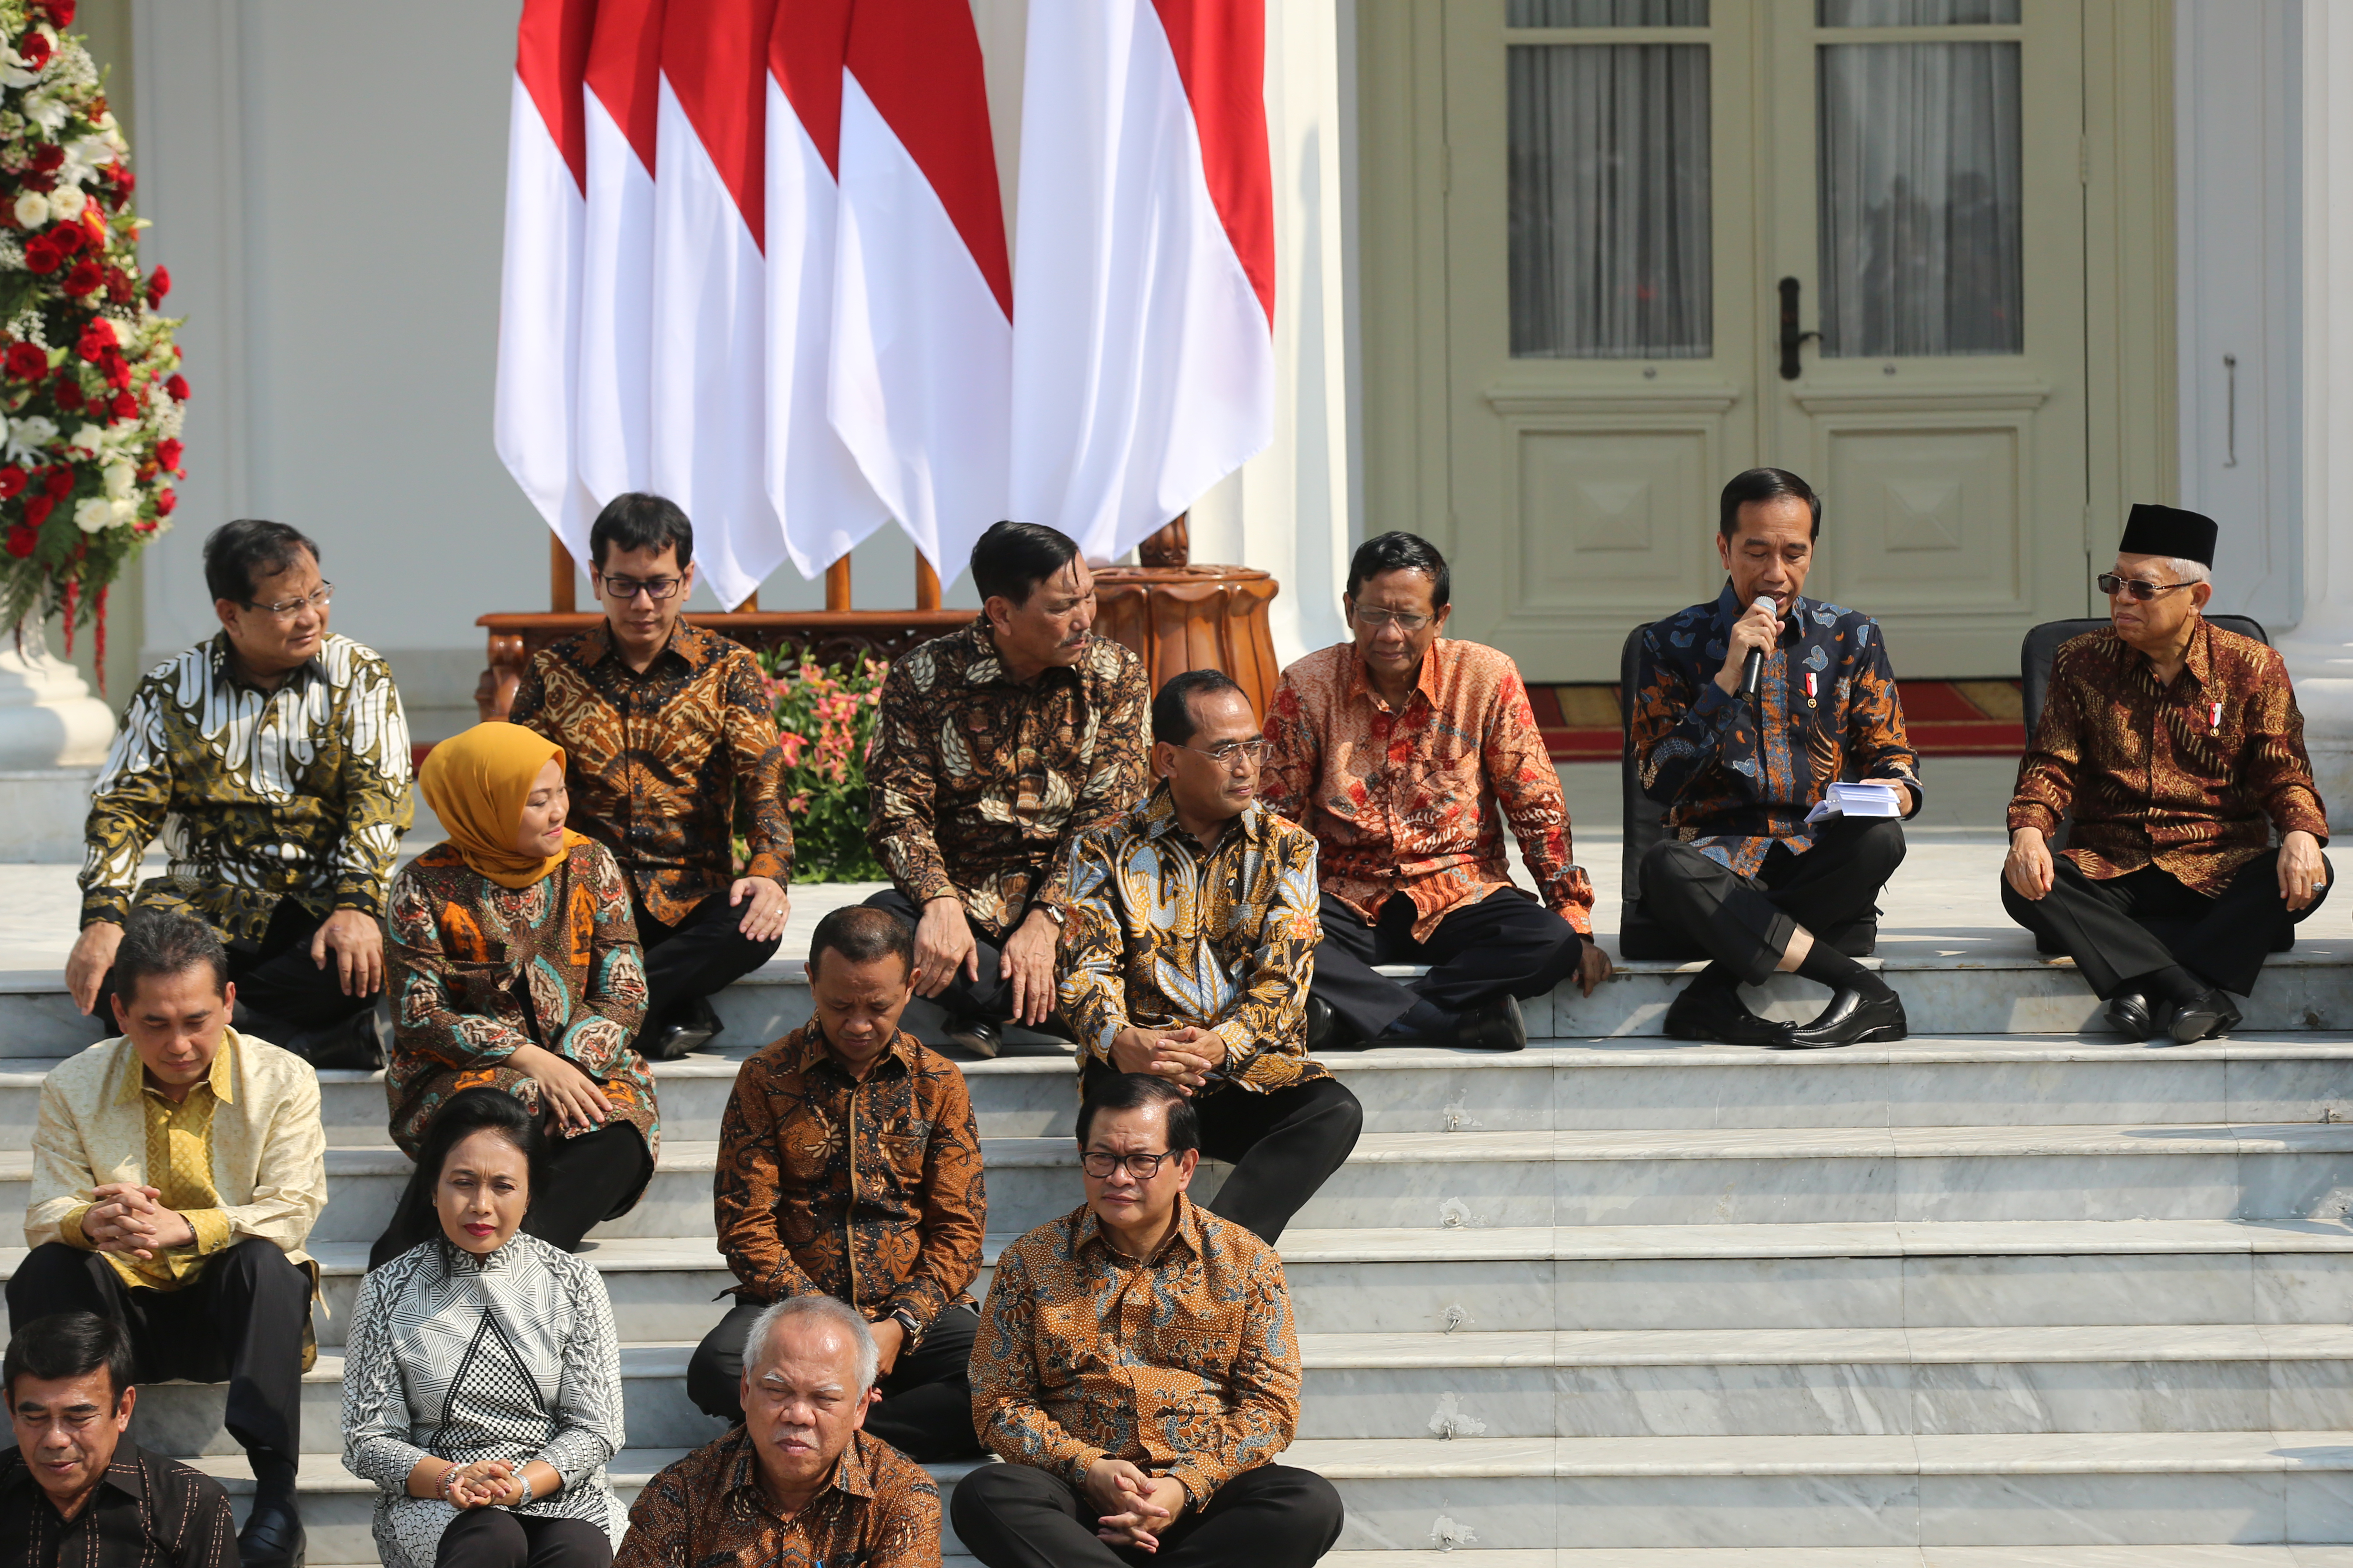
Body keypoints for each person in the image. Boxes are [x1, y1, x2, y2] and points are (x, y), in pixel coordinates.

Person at [12, 907, 327, 1568]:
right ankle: (76, 1468)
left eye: (196, 1020)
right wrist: (90, 1221)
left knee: (268, 1264)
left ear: (229, 1002)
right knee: (47, 1266)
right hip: (120, 1320)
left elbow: (296, 1206)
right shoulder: (73, 1084)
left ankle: (277, 1494)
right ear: (121, 1013)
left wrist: (189, 1226)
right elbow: (44, 1211)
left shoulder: (283, 1078)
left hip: (230, 1320)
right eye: (155, 1023)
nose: (179, 1044)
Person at [955, 1074, 1344, 1567]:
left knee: (1307, 1503)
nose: (1119, 1177)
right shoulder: (1030, 1261)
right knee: (986, 1493)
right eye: (1102, 1158)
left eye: (1142, 1160)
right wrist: (1089, 1468)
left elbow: (1272, 1406)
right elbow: (997, 1403)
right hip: (1079, 1501)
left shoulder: (1246, 1260)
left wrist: (1183, 1485)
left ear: (1185, 1166)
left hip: (1202, 1501)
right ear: (1082, 1156)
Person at [67, 518, 413, 1069]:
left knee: (353, 970)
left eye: (318, 594)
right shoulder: (170, 688)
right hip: (200, 899)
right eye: (287, 605)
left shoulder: (361, 675)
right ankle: (302, 1046)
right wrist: (102, 917)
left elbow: (378, 797)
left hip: (315, 902)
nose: (311, 616)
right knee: (121, 974)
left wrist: (356, 905)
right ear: (231, 614)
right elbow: (123, 808)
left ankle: (195, 1029)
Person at [1260, 530, 1607, 1054]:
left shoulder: (1486, 676)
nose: (1389, 634)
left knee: (1550, 943)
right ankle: (1443, 1022)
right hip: (1345, 896)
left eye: (1409, 617)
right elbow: (1273, 815)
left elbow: (1534, 801)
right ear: (1349, 608)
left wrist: (1571, 914)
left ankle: (1365, 1018)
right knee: (1265, 932)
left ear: (1440, 617)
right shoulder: (1307, 684)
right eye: (1373, 614)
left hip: (1460, 893)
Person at [2002, 504, 2332, 1041]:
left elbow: (2282, 768)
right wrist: (2028, 832)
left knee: (2312, 874)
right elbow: (2051, 763)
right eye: (2114, 583)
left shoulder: (2252, 666)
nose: (2121, 599)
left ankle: (2137, 987)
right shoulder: (2079, 661)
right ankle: (2190, 990)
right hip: (2113, 866)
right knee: (2022, 885)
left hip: (2218, 867)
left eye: (2141, 588)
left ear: (2196, 597)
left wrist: (2300, 834)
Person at [1061, 669, 1363, 1246]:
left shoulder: (1289, 847)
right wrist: (1123, 1040)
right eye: (1225, 750)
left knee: (1334, 1111)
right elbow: (1084, 970)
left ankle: (1209, 1262)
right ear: (1168, 759)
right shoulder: (1104, 845)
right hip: (1140, 1073)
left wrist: (1223, 1043)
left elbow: (1285, 978)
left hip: (1241, 1074)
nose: (1246, 766)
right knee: (1123, 1125)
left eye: (1254, 746)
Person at [1630, 468, 1924, 1049]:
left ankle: (1712, 994)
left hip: (1811, 857)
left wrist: (1897, 791)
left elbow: (1894, 756)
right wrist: (1725, 681)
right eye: (1756, 552)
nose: (1775, 573)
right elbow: (1656, 780)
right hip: (1715, 864)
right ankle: (1862, 987)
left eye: (1794, 553)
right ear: (1724, 549)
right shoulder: (1668, 643)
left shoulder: (1851, 636)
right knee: (1664, 867)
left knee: (1881, 839)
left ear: (1812, 550)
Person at [687, 906, 986, 1459]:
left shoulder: (939, 1082)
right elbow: (744, 1224)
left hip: (905, 1316)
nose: (858, 1024)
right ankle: (852, 1424)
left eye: (878, 1006)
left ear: (911, 984)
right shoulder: (765, 1077)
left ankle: (809, 1432)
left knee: (1000, 1377)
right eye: (840, 1005)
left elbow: (961, 1231)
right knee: (715, 1369)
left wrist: (902, 1323)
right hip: (794, 1306)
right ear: (811, 980)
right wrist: (822, 1323)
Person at [509, 492, 792, 1060]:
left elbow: (762, 779)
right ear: (596, 579)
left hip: (692, 899)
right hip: (586, 897)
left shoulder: (727, 667)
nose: (642, 602)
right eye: (624, 584)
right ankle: (668, 1009)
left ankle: (597, 1010)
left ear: (687, 579)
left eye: (659, 584)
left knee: (752, 925)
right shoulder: (554, 670)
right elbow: (515, 784)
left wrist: (769, 870)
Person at [370, 721, 659, 1265]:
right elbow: (420, 1014)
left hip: (589, 1070)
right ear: (485, 806)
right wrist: (530, 1062)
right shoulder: (423, 885)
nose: (558, 812)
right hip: (462, 1076)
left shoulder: (590, 863)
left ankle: (505, 1267)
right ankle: (410, 1260)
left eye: (560, 793)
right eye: (536, 801)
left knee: (616, 1134)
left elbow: (624, 990)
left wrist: (568, 1069)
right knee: (488, 1119)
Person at [863, 519, 1151, 1059]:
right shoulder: (922, 677)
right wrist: (939, 901)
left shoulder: (1116, 674)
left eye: (1088, 598)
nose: (1085, 619)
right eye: (1063, 606)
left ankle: (983, 1005)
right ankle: (1085, 1015)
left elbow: (1109, 820)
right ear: (1000, 612)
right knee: (877, 924)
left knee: (1149, 922)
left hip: (1077, 906)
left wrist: (1048, 918)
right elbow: (897, 812)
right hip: (964, 907)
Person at [341, 1087, 630, 1568]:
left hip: (562, 1491)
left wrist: (521, 1484)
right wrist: (451, 1478)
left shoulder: (574, 1281)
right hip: (438, 1497)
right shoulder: (388, 1287)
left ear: (529, 1193)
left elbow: (597, 1428)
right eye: (463, 1182)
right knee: (490, 1542)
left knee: (578, 1555)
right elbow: (367, 1438)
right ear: (433, 1188)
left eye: (502, 1186)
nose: (480, 1204)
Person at [618, 1296, 941, 1568]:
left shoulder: (902, 1495)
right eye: (777, 1391)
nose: (798, 1416)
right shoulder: (680, 1494)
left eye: (824, 1398)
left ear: (860, 1407)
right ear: (745, 1390)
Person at [2, 1310, 238, 1568]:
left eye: (79, 1417)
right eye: (35, 1417)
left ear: (123, 1409)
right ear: (12, 1411)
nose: (55, 1440)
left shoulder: (190, 1502)